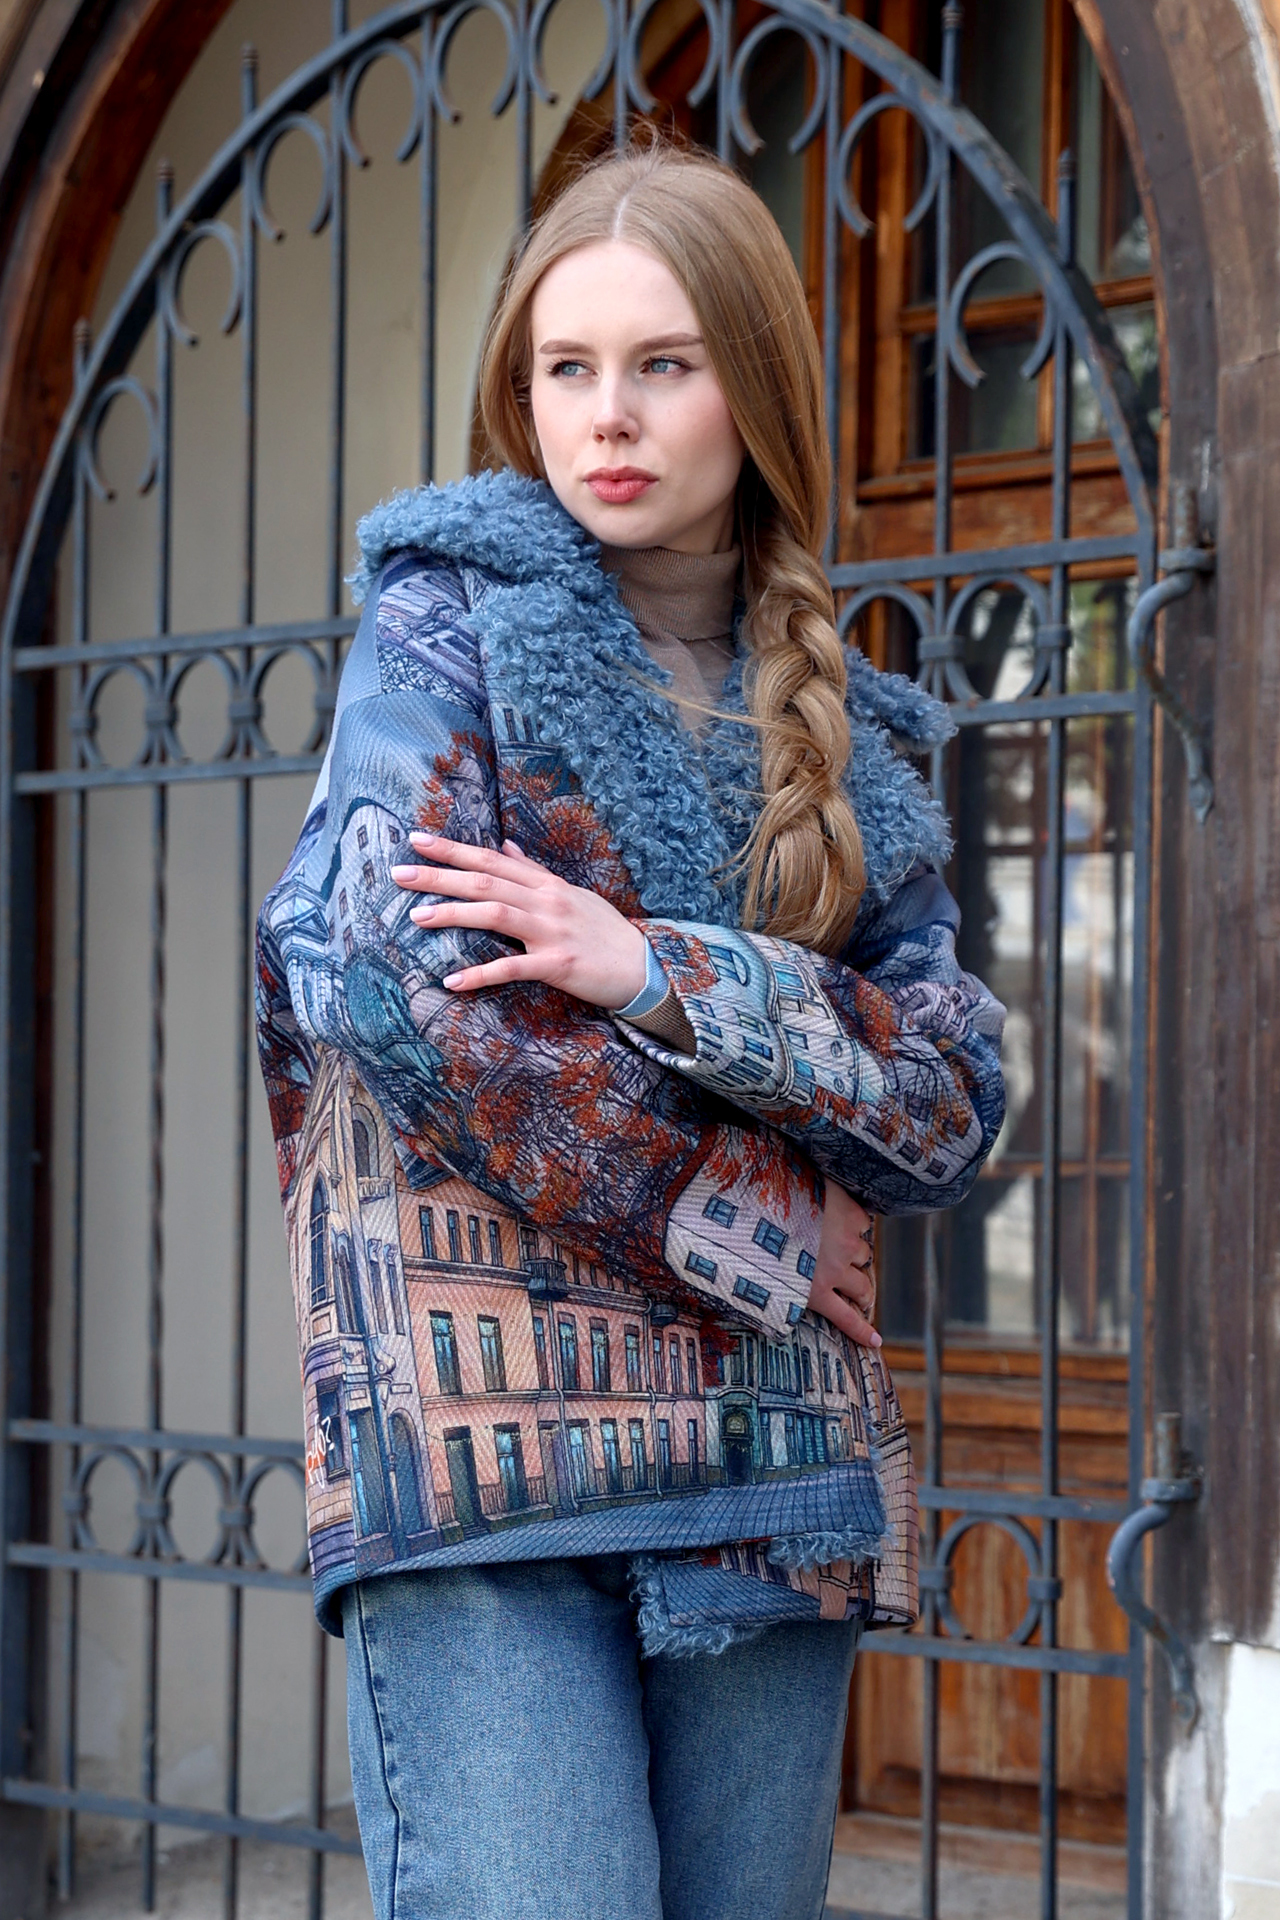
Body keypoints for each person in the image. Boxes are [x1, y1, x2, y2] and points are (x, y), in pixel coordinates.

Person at [255, 139, 1005, 1920]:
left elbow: (950, 1098)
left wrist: (647, 967)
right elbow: (393, 991)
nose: (608, 415)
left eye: (665, 362)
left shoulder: (857, 740)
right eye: (566, 367)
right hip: (487, 1477)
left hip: (775, 1480)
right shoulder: (445, 630)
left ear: (758, 386)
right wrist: (747, 1213)